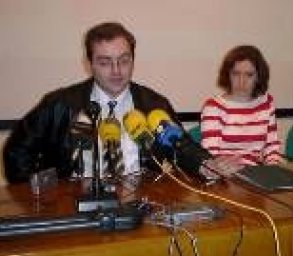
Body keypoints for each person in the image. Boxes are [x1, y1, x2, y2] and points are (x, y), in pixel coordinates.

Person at [3, 22, 237, 184]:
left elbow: (182, 146)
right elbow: (17, 152)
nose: (116, 71)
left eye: (124, 61)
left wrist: (205, 164)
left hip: (143, 202)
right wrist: (40, 192)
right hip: (77, 204)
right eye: (105, 62)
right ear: (90, 63)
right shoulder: (60, 104)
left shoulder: (154, 104)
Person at [200, 45, 283, 166]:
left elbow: (271, 147)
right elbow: (210, 154)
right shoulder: (214, 107)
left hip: (256, 173)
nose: (241, 81)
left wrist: (273, 167)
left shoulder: (266, 104)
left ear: (259, 77)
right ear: (227, 75)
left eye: (249, 75)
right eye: (236, 74)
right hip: (225, 174)